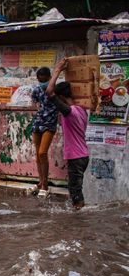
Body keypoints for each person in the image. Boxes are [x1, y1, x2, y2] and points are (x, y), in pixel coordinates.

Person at [47, 60, 89, 209]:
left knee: (76, 193)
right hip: (83, 155)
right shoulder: (82, 109)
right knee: (75, 190)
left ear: (62, 98)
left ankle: (80, 222)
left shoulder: (69, 112)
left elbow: (49, 92)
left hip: (76, 157)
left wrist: (57, 70)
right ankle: (77, 216)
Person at [29, 66, 57, 197]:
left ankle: (45, 184)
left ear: (50, 77)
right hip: (38, 122)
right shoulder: (36, 90)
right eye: (40, 80)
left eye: (45, 80)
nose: (42, 82)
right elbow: (35, 105)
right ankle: (41, 182)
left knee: (42, 153)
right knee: (38, 154)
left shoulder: (55, 90)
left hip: (50, 123)